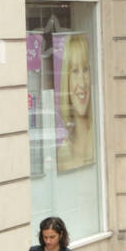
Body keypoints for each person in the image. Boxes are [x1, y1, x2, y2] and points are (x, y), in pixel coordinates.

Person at [55, 33, 95, 171]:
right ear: (67, 79)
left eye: (85, 70)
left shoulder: (100, 136)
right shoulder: (63, 153)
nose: (82, 83)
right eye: (75, 71)